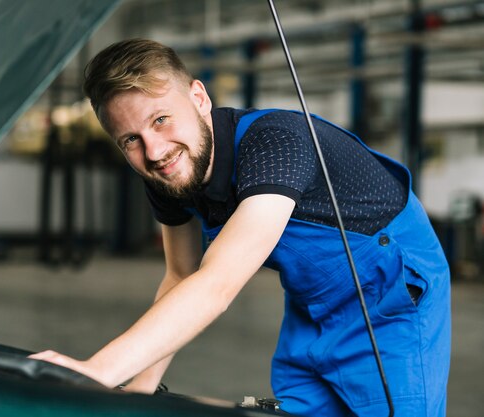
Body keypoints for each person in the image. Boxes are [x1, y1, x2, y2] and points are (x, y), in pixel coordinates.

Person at [30, 39, 451, 417]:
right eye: (130, 140)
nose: (154, 151)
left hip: (393, 291)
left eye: (160, 119)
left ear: (198, 97)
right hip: (315, 301)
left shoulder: (275, 143)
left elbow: (216, 284)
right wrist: (137, 387)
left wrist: (95, 371)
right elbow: (181, 275)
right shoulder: (167, 173)